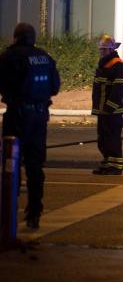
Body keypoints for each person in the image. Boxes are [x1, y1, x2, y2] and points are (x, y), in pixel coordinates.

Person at [0, 22, 60, 230]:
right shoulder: (44, 57)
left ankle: (8, 211)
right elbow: (55, 87)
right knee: (35, 165)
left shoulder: (11, 56)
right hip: (40, 116)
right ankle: (34, 212)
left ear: (16, 37)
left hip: (17, 116)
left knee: (10, 164)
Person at [92, 34, 123, 175]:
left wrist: (109, 107)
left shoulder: (116, 64)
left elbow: (119, 88)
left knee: (112, 140)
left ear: (111, 49)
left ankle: (116, 166)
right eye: (100, 49)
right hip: (103, 110)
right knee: (103, 139)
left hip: (112, 112)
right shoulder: (104, 63)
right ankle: (107, 163)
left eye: (104, 49)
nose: (101, 52)